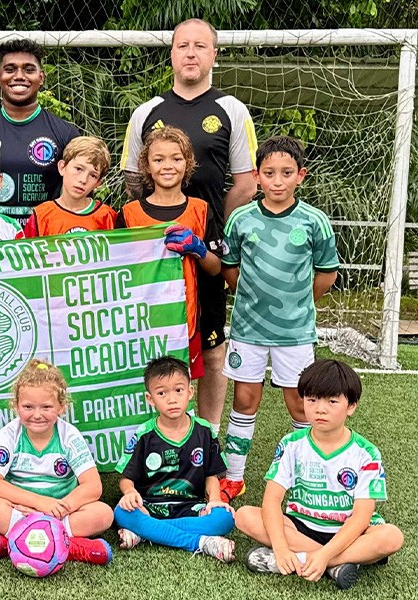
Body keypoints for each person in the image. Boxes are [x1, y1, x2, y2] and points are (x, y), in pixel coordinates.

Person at [121, 18, 258, 433]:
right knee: (152, 343)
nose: (191, 53)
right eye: (183, 45)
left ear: (214, 54)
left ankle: (209, 433)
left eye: (201, 45)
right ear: (172, 54)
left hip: (207, 251)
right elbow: (131, 180)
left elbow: (247, 182)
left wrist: (214, 221)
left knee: (213, 348)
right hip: (153, 252)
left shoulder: (232, 109)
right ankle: (151, 434)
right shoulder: (147, 112)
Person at [220, 136, 339, 502]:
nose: (277, 180)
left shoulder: (314, 221)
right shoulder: (241, 219)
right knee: (244, 399)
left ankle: (304, 476)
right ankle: (234, 476)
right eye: (269, 173)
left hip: (295, 332)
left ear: (300, 176)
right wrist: (257, 301)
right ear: (256, 176)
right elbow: (230, 269)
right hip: (248, 330)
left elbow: (326, 274)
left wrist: (298, 302)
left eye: (286, 173)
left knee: (299, 402)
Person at [235, 360, 403, 590]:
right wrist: (282, 546)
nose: (320, 409)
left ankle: (309, 561)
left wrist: (325, 554)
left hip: (350, 531)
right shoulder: (292, 444)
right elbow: (272, 500)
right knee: (244, 516)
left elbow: (362, 516)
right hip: (302, 525)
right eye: (311, 400)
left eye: (332, 401)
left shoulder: (366, 452)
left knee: (391, 537)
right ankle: (336, 564)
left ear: (351, 406)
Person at [0, 359, 114, 566]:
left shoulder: (68, 435)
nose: (37, 414)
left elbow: (93, 486)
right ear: (16, 406)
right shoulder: (10, 434)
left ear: (61, 406)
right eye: (28, 407)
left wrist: (60, 508)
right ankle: (70, 546)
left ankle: (17, 542)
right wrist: (39, 503)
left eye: (46, 407)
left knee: (103, 514)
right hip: (23, 510)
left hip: (61, 511)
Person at [116, 126, 222, 381]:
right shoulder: (128, 214)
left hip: (186, 320)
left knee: (179, 386)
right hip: (140, 321)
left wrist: (199, 249)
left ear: (188, 164)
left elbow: (217, 268)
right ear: (146, 165)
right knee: (142, 384)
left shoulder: (201, 210)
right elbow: (117, 271)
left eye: (176, 158)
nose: (168, 166)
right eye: (158, 159)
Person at [113, 356, 235, 563]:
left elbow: (211, 475)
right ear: (150, 399)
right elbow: (126, 479)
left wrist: (214, 499)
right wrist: (130, 492)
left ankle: (147, 533)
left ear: (190, 392)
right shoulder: (144, 434)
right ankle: (202, 543)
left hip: (192, 508)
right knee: (121, 512)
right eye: (162, 393)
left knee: (225, 518)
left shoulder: (204, 431)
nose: (172, 399)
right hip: (150, 507)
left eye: (178, 390)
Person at [0, 39, 80, 225]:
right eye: (10, 69)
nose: (19, 76)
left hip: (46, 241)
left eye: (29, 69)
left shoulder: (66, 134)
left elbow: (83, 188)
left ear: (41, 77)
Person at [21, 136, 116, 237]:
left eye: (93, 175)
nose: (83, 180)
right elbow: (29, 252)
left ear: (98, 183)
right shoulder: (41, 215)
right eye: (79, 169)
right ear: (62, 167)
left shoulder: (107, 216)